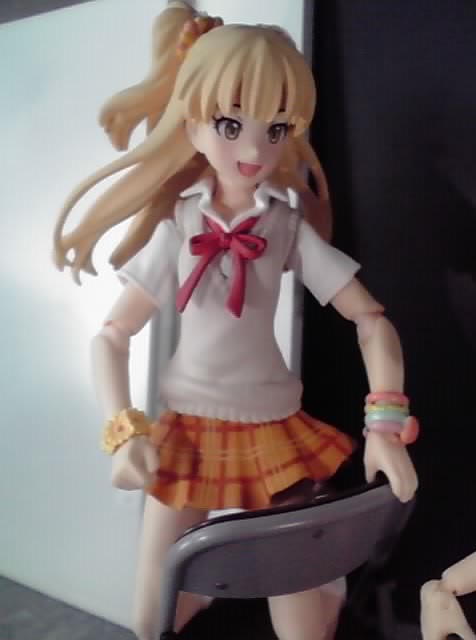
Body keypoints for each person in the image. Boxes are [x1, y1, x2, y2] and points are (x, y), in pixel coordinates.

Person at [53, 3, 418, 639]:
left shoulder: (285, 228)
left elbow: (370, 319)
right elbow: (111, 336)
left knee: (302, 629)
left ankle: (318, 586)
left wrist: (385, 425)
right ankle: (226, 581)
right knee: (152, 618)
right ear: (192, 122)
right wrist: (123, 431)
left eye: (275, 129)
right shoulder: (178, 228)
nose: (253, 149)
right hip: (188, 431)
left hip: (272, 428)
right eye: (231, 123)